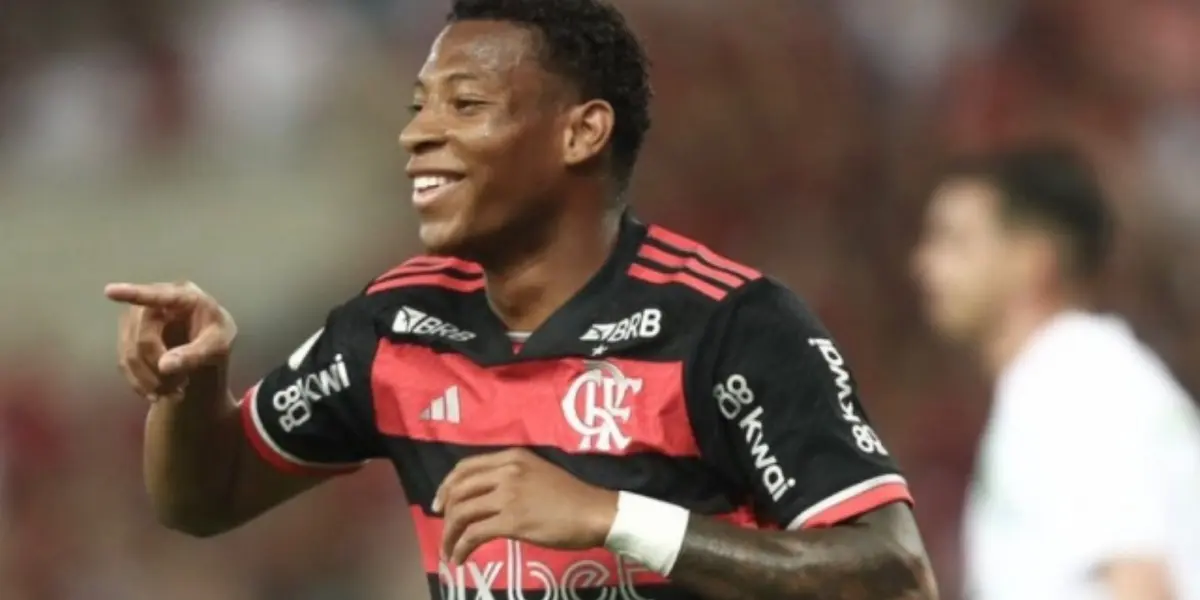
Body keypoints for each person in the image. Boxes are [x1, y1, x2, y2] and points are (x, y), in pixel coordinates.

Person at [106, 1, 936, 598]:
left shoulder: (730, 327)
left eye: (465, 105)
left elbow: (894, 575)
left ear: (581, 132)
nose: (417, 134)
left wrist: (614, 518)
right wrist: (189, 386)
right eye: (419, 107)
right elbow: (203, 499)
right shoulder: (395, 327)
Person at [912, 145, 1200, 600]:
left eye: (956, 242)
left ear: (1033, 259)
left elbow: (1143, 587)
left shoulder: (1074, 382)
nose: (924, 264)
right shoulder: (1065, 376)